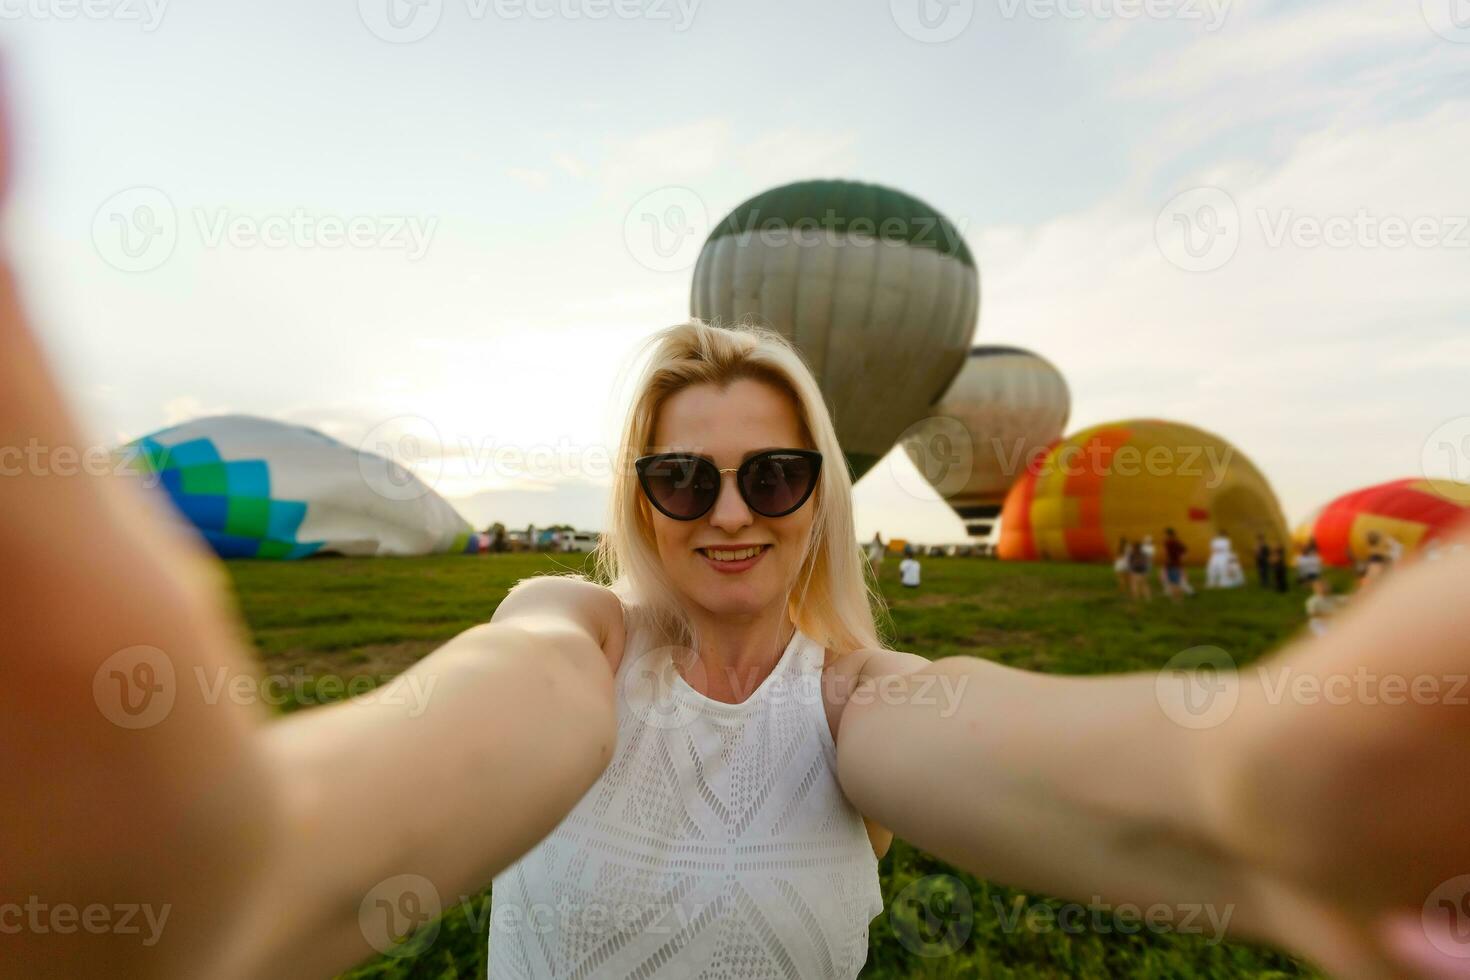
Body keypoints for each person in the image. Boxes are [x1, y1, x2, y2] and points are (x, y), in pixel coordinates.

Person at [5, 134, 1470, 976]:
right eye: (679, 475)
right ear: (635, 496)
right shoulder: (568, 635)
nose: (729, 512)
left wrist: (1243, 789)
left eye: (774, 472)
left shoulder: (851, 699)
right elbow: (468, 726)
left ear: (823, 489)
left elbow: (990, 737)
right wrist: (245, 858)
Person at [1160, 527, 1188, 603]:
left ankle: (1176, 600)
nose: (1164, 536)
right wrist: (1181, 561)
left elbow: (1166, 555)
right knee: (1176, 582)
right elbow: (1184, 552)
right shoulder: (1178, 542)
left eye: (1165, 534)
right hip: (1177, 564)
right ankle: (1179, 599)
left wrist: (1166, 564)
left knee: (1173, 583)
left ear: (1168, 534)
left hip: (1170, 565)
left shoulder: (1168, 542)